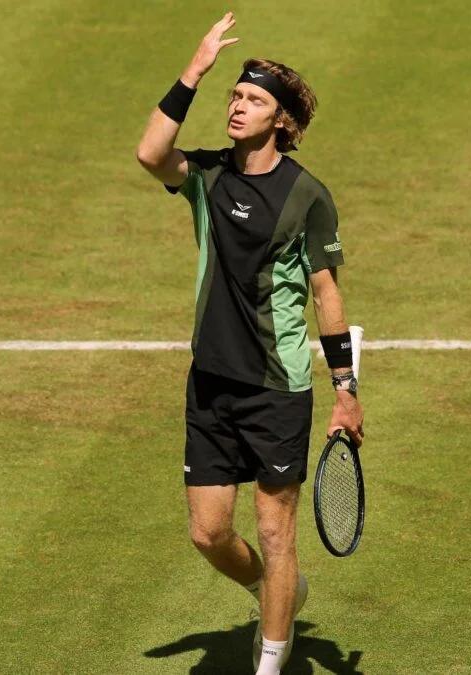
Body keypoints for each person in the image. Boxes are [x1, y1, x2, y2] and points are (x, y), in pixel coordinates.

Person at [135, 12, 364, 675]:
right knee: (209, 533)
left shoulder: (306, 197)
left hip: (276, 387)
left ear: (283, 121)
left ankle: (270, 663)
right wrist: (193, 72)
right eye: (234, 96)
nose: (237, 107)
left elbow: (327, 294)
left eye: (254, 100)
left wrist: (346, 390)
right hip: (209, 381)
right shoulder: (206, 178)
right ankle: (278, 589)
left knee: (274, 527)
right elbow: (151, 153)